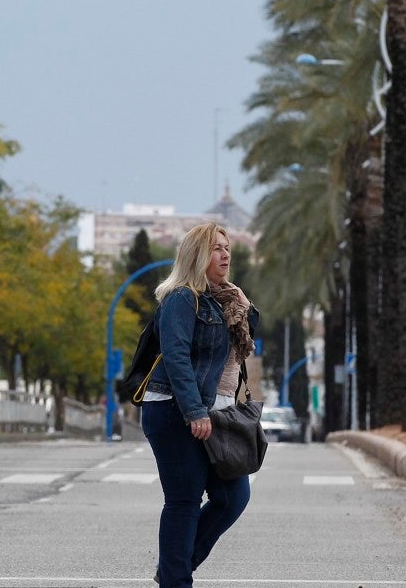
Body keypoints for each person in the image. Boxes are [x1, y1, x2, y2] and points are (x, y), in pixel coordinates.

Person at [141, 221, 259, 588]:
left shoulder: (226, 299)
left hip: (218, 412)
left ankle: (176, 569)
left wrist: (242, 304)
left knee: (234, 495)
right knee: (184, 501)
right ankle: (177, 581)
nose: (225, 254)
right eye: (216, 248)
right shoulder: (181, 298)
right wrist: (193, 411)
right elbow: (175, 355)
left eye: (227, 247)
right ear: (197, 255)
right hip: (176, 410)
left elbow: (245, 344)